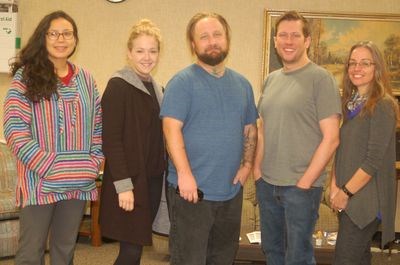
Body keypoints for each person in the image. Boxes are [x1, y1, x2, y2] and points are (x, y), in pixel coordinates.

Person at [3, 10, 103, 265]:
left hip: (78, 182)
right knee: (30, 252)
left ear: (75, 39)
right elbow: (14, 128)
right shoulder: (25, 78)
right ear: (43, 38)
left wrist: (93, 163)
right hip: (40, 182)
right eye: (54, 33)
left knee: (65, 250)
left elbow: (98, 127)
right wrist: (47, 165)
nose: (61, 39)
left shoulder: (87, 80)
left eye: (67, 33)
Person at [160, 12, 258, 265]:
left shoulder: (242, 85)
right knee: (189, 260)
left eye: (217, 35)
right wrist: (184, 174)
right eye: (204, 37)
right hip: (192, 193)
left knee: (223, 258)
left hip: (230, 193)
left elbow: (250, 129)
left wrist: (247, 166)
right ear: (193, 45)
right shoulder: (181, 83)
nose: (212, 41)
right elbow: (171, 131)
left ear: (227, 39)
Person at [253, 10, 342, 265]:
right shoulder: (271, 80)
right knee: (272, 253)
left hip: (301, 189)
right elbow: (263, 128)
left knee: (298, 258)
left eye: (295, 35)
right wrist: (258, 172)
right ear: (275, 41)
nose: (288, 41)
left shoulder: (321, 79)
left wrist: (304, 183)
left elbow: (332, 138)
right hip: (267, 185)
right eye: (282, 35)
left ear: (307, 41)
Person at [99, 19, 167, 265]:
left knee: (134, 250)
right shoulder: (118, 86)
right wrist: (124, 186)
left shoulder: (158, 89)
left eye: (152, 50)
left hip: (151, 181)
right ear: (129, 53)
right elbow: (111, 140)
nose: (146, 57)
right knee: (130, 252)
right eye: (140, 51)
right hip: (129, 183)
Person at [330, 41, 399, 265]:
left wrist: (345, 193)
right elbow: (339, 150)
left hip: (365, 202)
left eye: (365, 63)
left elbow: (373, 160)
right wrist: (333, 186)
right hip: (348, 198)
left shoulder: (383, 105)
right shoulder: (348, 104)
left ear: (376, 68)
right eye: (352, 63)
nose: (356, 68)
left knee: (344, 259)